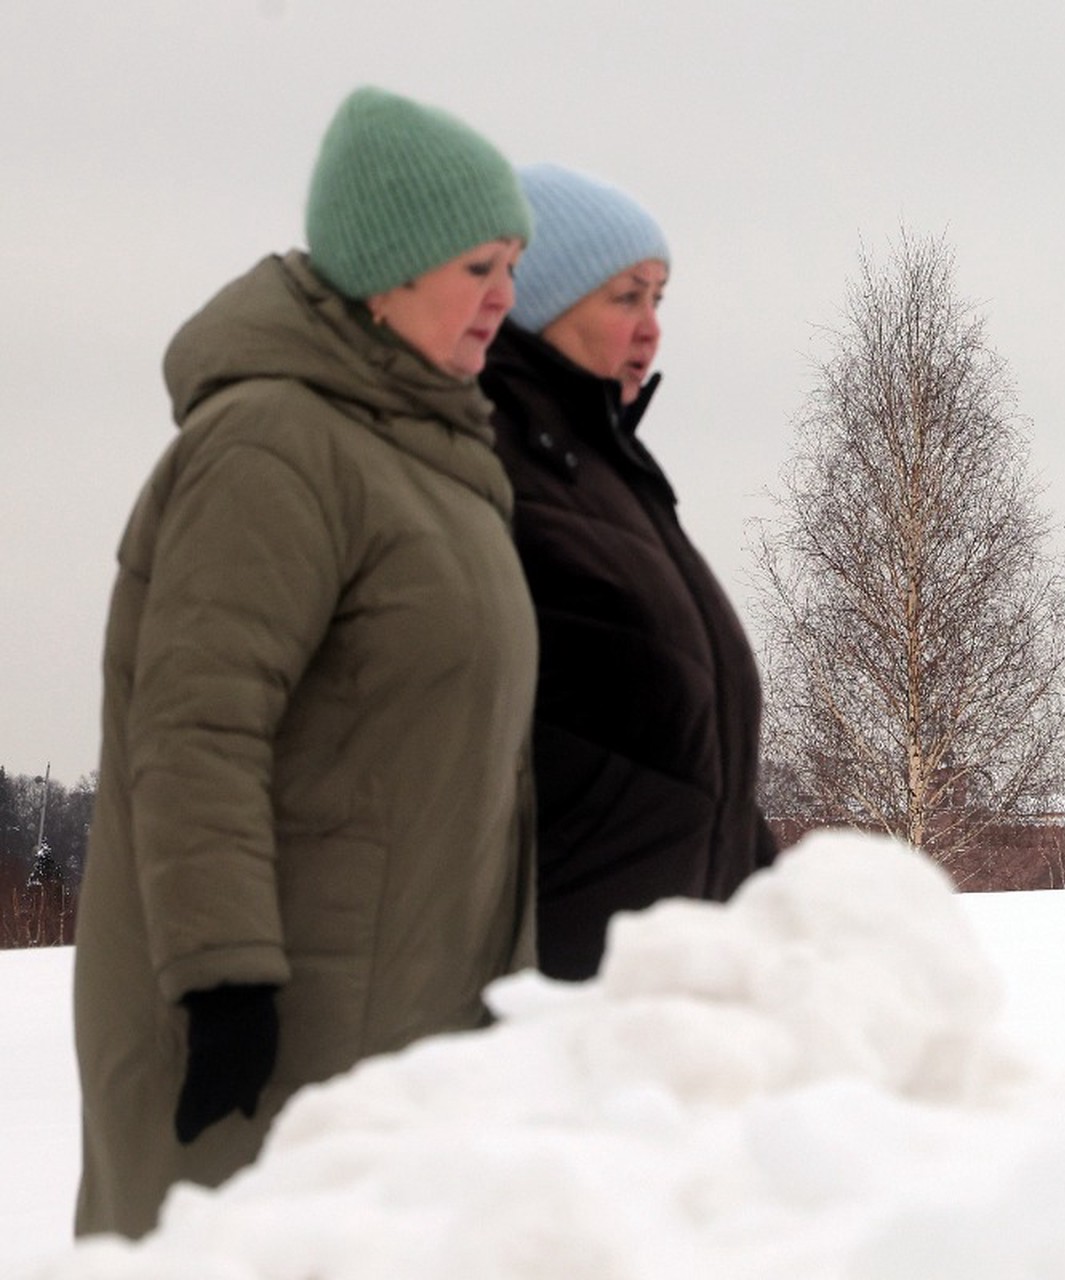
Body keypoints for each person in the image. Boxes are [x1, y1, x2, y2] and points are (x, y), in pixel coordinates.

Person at [72, 86, 540, 1239]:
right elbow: (195, 724)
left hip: (398, 1012)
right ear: (391, 267)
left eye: (513, 266)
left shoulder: (427, 454)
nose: (506, 299)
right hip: (273, 1025)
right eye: (480, 266)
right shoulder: (276, 444)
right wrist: (224, 978)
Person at [479, 165, 777, 982]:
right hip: (560, 982)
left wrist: (768, 902)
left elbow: (683, 742)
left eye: (659, 300)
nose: (650, 330)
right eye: (624, 298)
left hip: (659, 982)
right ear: (537, 301)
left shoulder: (611, 474)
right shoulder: (486, 468)